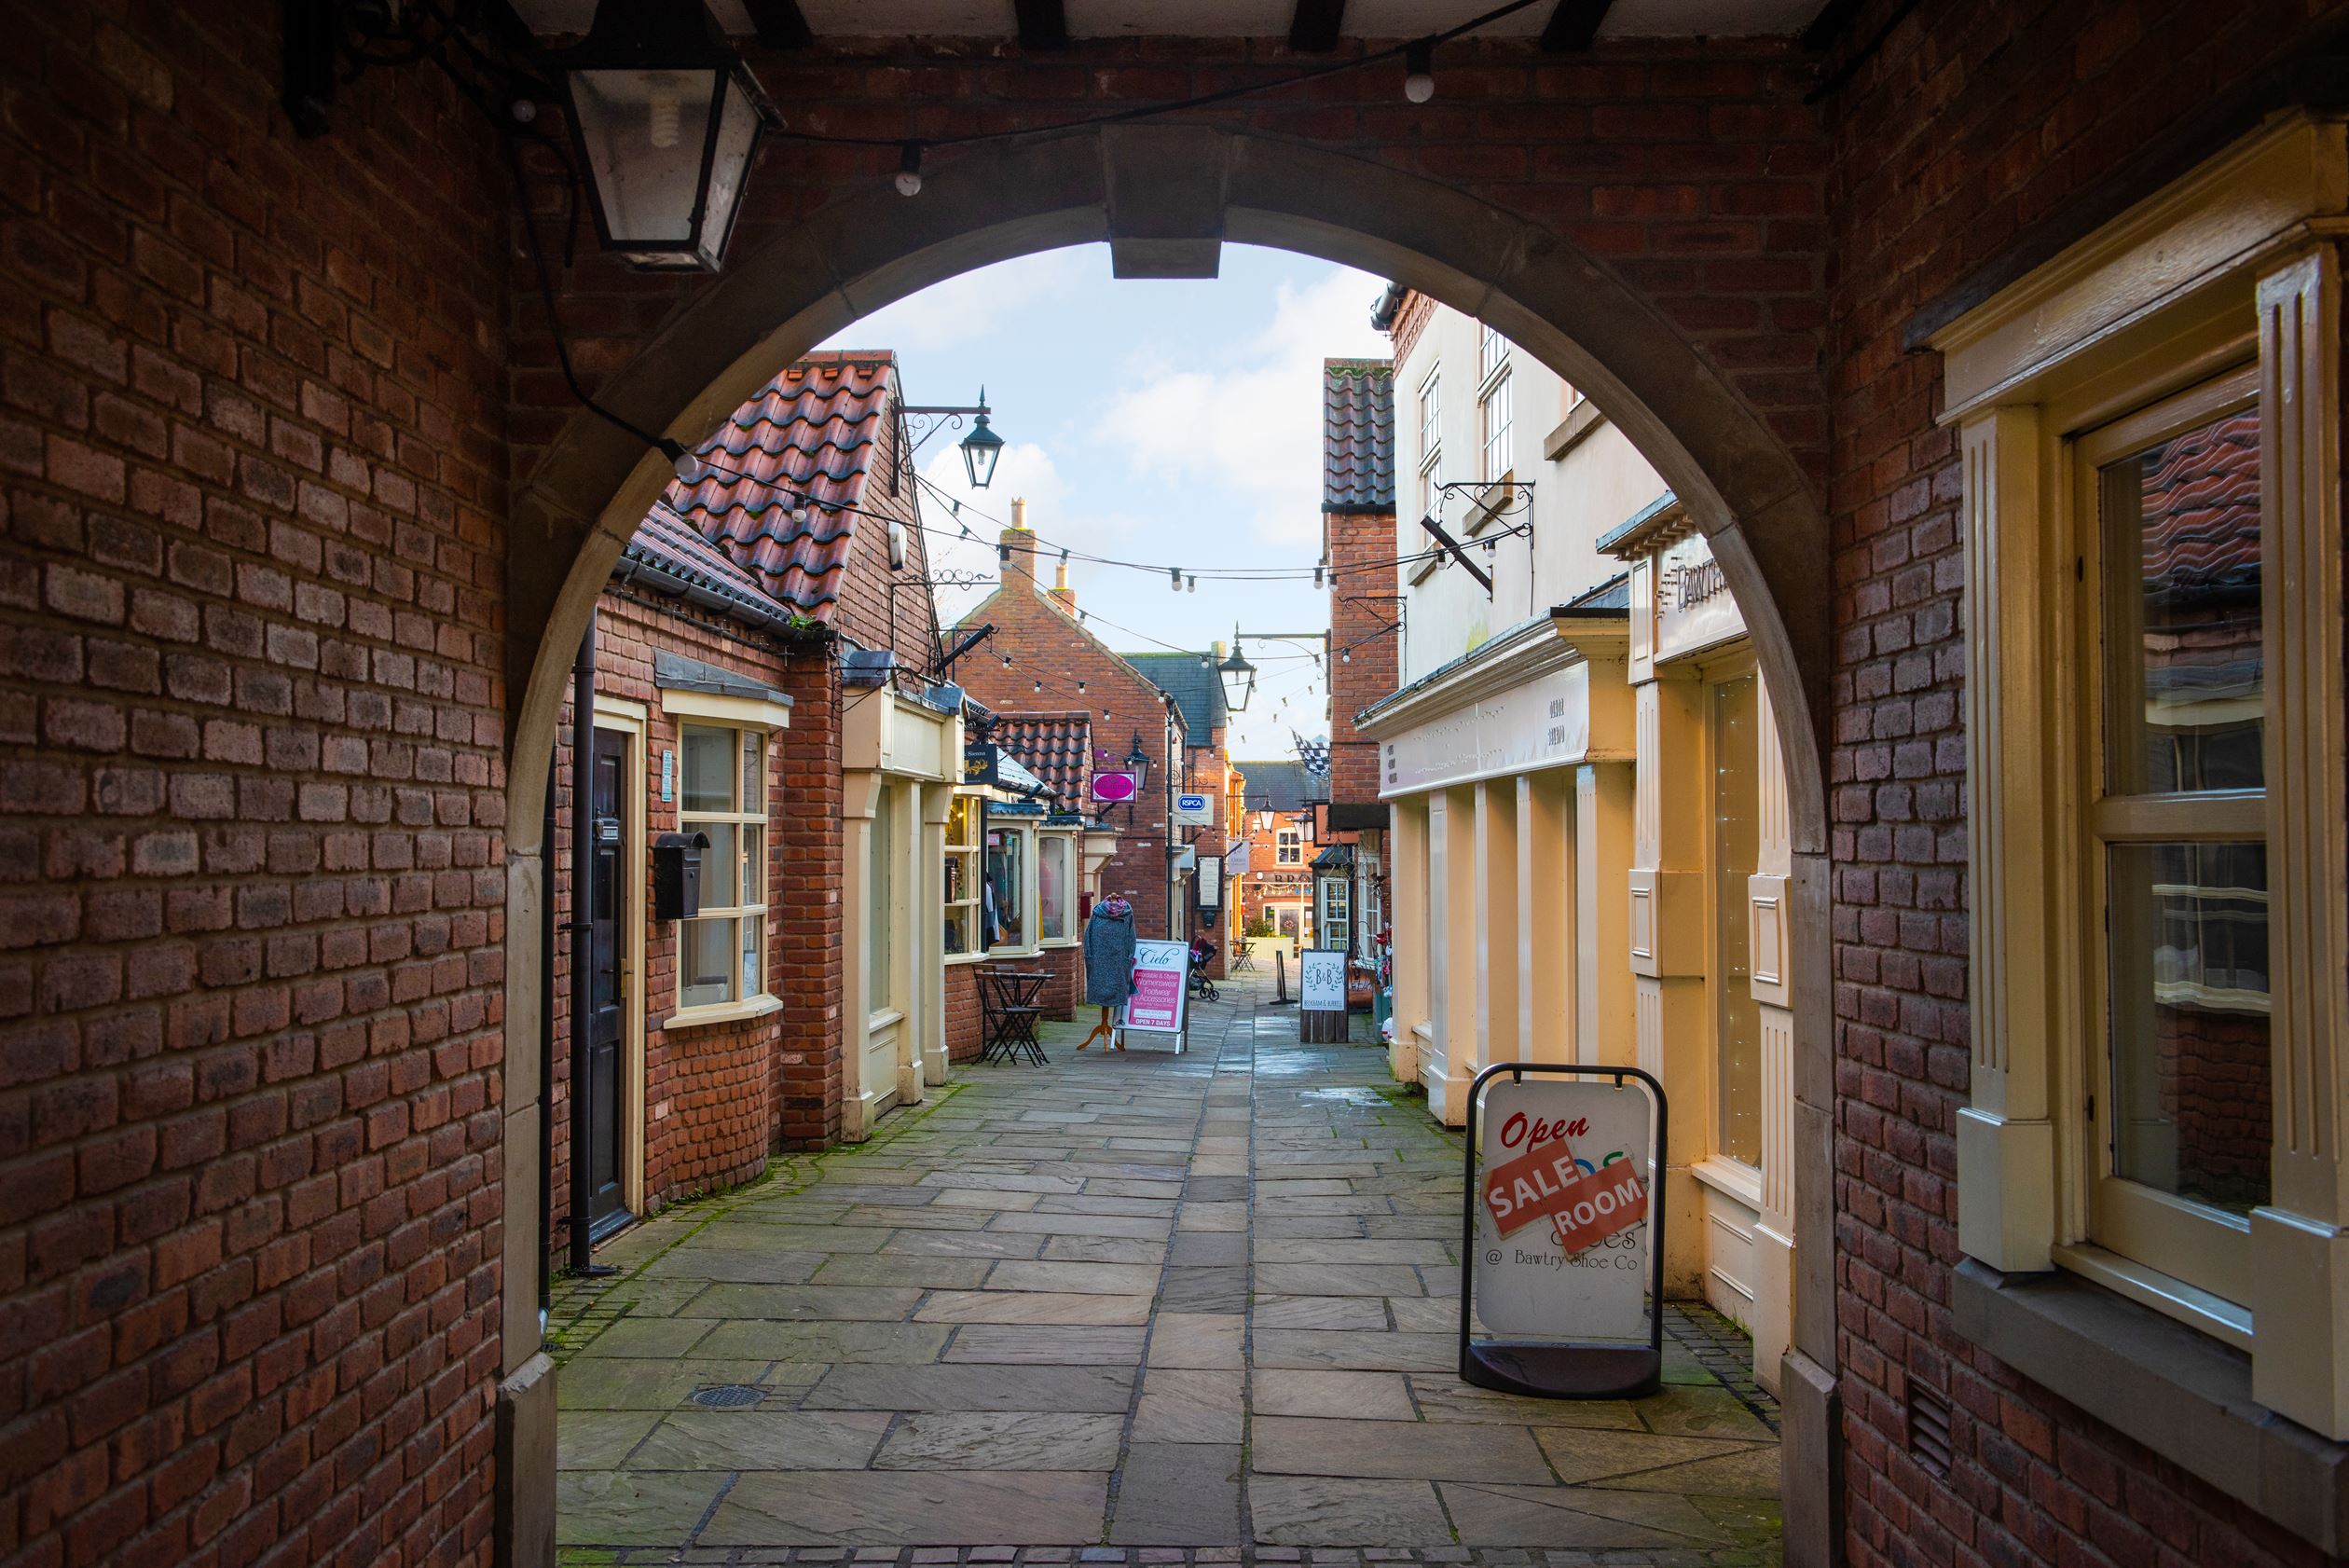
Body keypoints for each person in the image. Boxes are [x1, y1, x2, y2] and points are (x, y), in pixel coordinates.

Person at [1078, 892, 1136, 1051]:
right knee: (1102, 991)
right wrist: (1089, 956)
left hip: (1117, 961)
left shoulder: (1127, 914)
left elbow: (1131, 938)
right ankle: (1103, 1025)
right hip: (1101, 961)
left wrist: (1129, 957)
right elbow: (1088, 937)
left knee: (1115, 992)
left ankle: (1107, 1027)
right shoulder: (1097, 913)